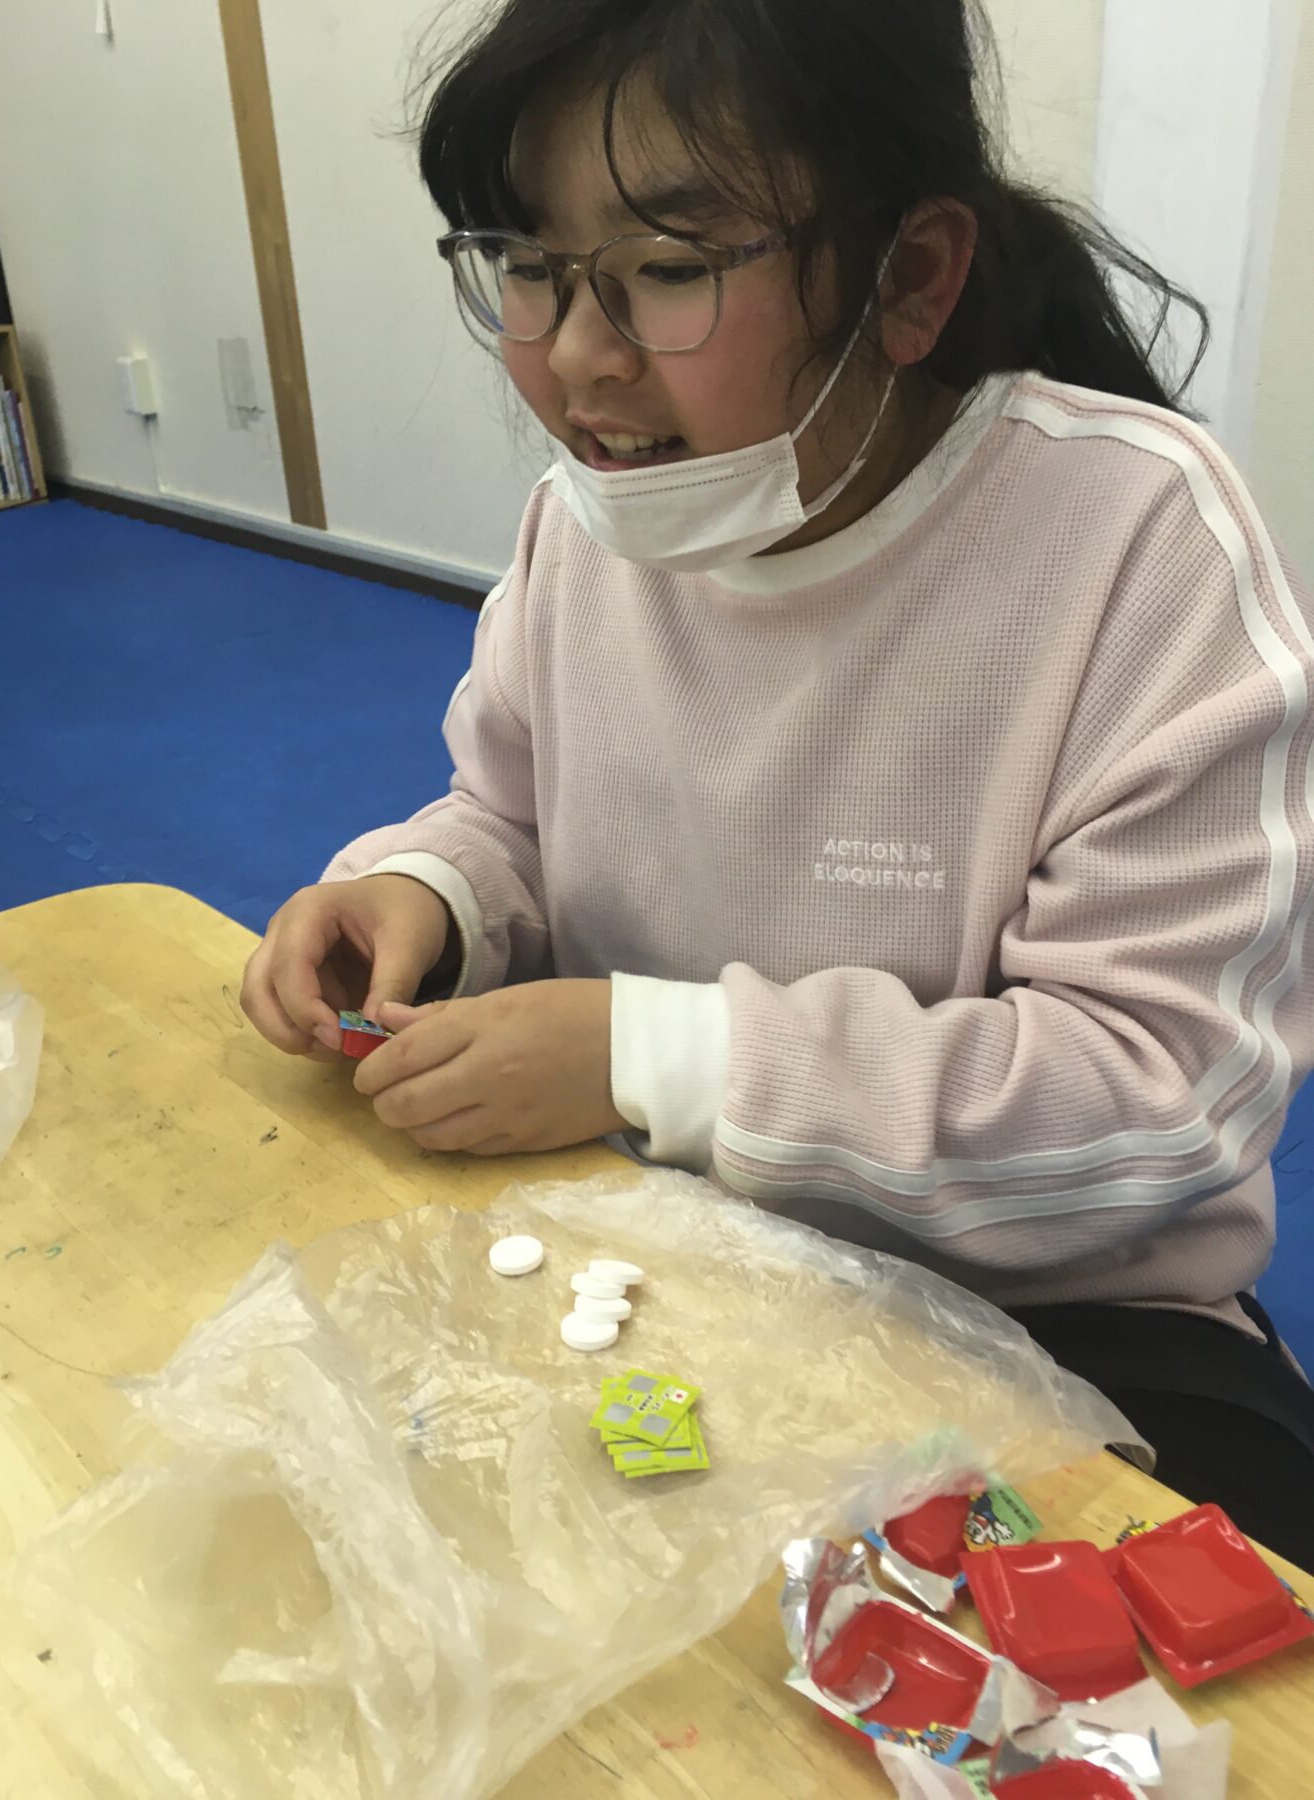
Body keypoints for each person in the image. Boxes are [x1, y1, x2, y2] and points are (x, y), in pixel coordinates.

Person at [240, 0, 1314, 1562]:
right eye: (528, 262)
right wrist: (427, 892)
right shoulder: (592, 522)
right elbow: (515, 814)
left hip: (1061, 1317)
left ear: (910, 277)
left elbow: (1152, 1106)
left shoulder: (1136, 544)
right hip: (668, 1254)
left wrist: (656, 1057)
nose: (576, 357)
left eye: (670, 267)